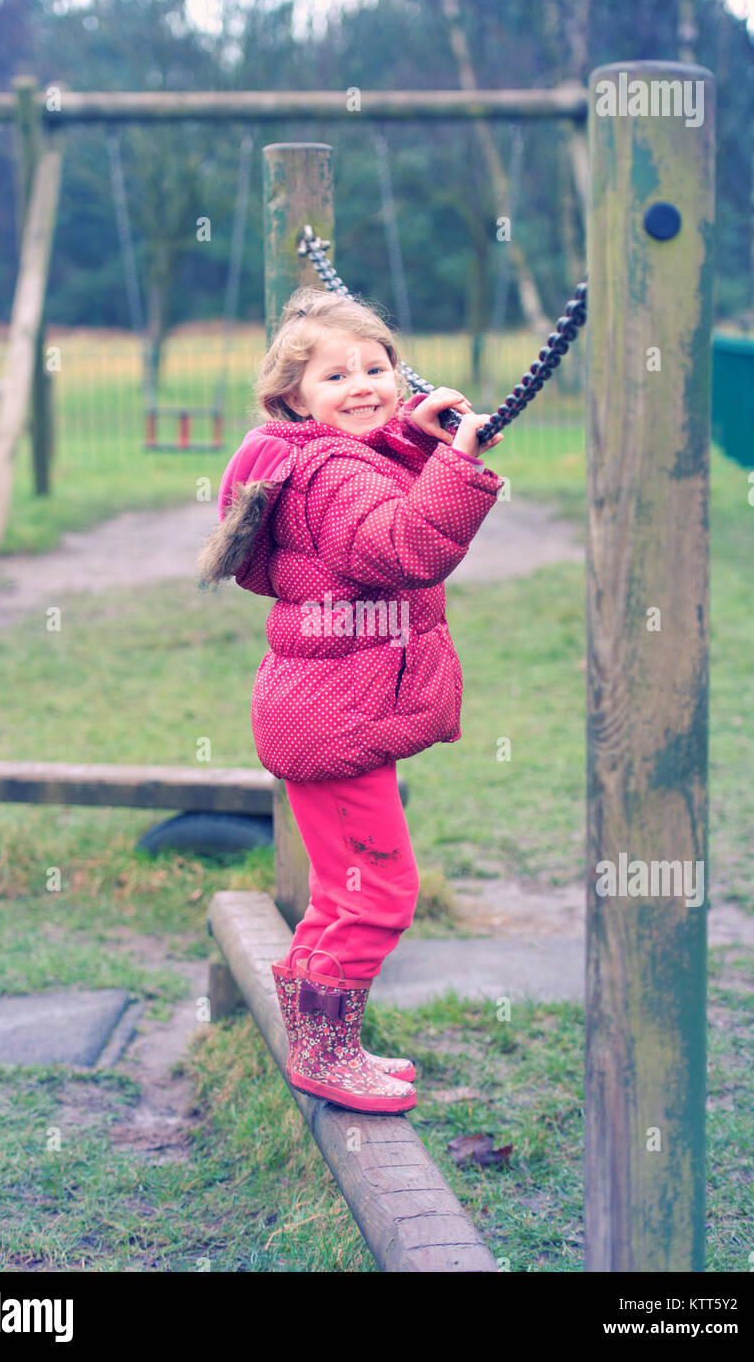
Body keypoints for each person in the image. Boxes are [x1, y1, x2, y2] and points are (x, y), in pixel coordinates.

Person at [198, 285, 504, 1114]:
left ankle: (321, 1040)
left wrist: (415, 436)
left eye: (378, 366)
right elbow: (401, 542)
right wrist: (462, 465)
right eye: (336, 377)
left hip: (321, 712)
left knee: (342, 890)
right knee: (380, 890)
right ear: (292, 397)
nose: (364, 384)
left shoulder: (311, 458)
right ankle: (325, 1056)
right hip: (336, 720)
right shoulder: (332, 473)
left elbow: (377, 502)